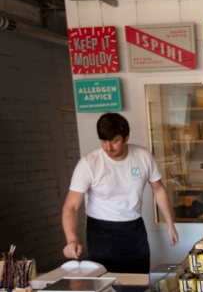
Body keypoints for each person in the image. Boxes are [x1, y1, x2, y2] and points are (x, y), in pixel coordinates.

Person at [62, 113, 178, 273]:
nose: (109, 148)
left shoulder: (143, 157)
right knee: (105, 284)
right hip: (101, 231)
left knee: (139, 281)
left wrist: (170, 224)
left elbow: (158, 189)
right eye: (104, 142)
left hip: (134, 229)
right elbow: (71, 206)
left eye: (114, 141)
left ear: (126, 138)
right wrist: (72, 239)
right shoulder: (89, 164)